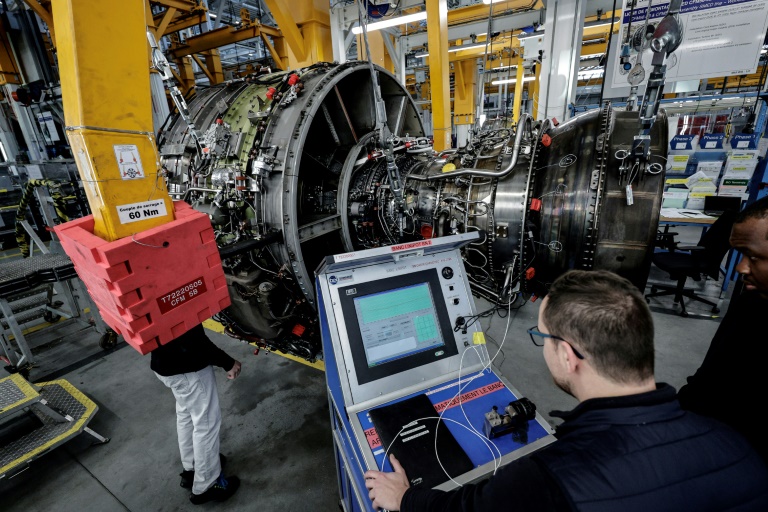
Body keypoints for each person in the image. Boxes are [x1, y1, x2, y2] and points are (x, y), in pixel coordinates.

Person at [364, 270, 768, 512]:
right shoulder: (737, 447)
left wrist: (405, 499)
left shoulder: (551, 480)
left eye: (543, 337)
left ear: (569, 355)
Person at [678, 195, 768, 464]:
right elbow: (711, 377)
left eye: (753, 256)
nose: (741, 267)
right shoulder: (751, 303)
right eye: (739, 255)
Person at [151, 323, 242, 505]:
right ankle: (206, 485)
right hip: (188, 368)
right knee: (206, 424)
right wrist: (227, 362)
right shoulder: (173, 296)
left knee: (186, 415)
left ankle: (192, 468)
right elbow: (193, 339)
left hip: (164, 363)